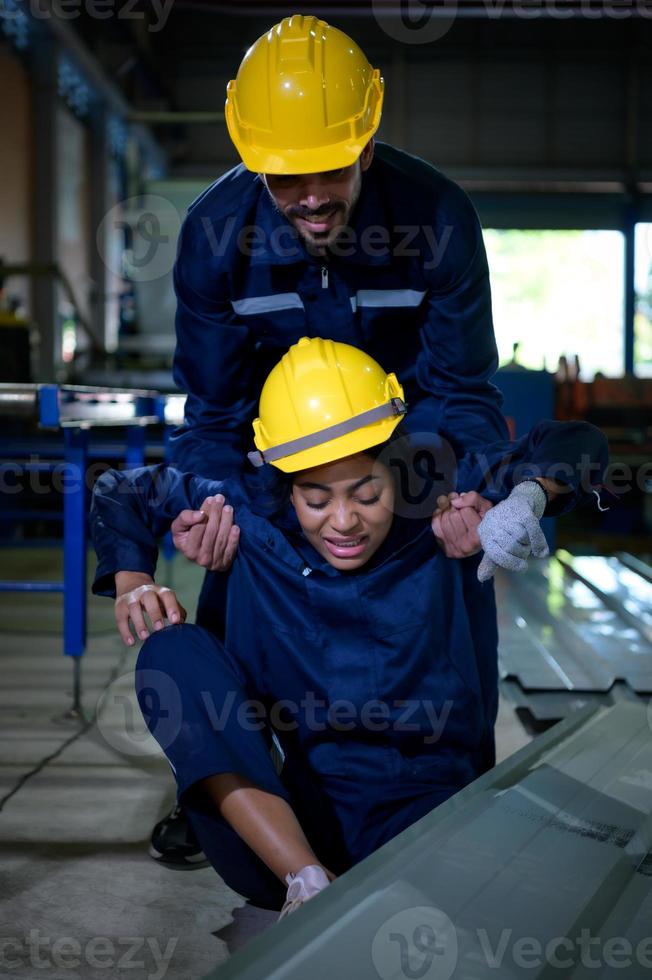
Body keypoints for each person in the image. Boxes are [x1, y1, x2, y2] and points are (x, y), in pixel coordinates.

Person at [158, 12, 511, 865]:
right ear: (252, 158)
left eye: (327, 167)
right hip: (276, 467)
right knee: (235, 576)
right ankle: (233, 792)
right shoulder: (214, 237)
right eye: (284, 177)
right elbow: (210, 418)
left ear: (367, 139)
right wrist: (213, 500)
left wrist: (466, 494)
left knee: (451, 601)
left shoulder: (438, 218)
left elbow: (464, 390)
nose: (310, 194)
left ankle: (459, 778)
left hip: (410, 464)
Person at [90, 338, 608, 918]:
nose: (343, 522)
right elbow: (122, 489)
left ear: (398, 463)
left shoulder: (445, 497)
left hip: (427, 821)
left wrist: (527, 495)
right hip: (283, 842)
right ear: (283, 482)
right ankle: (309, 885)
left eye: (367, 494)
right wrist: (135, 580)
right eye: (316, 500)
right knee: (171, 653)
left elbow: (577, 443)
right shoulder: (249, 512)